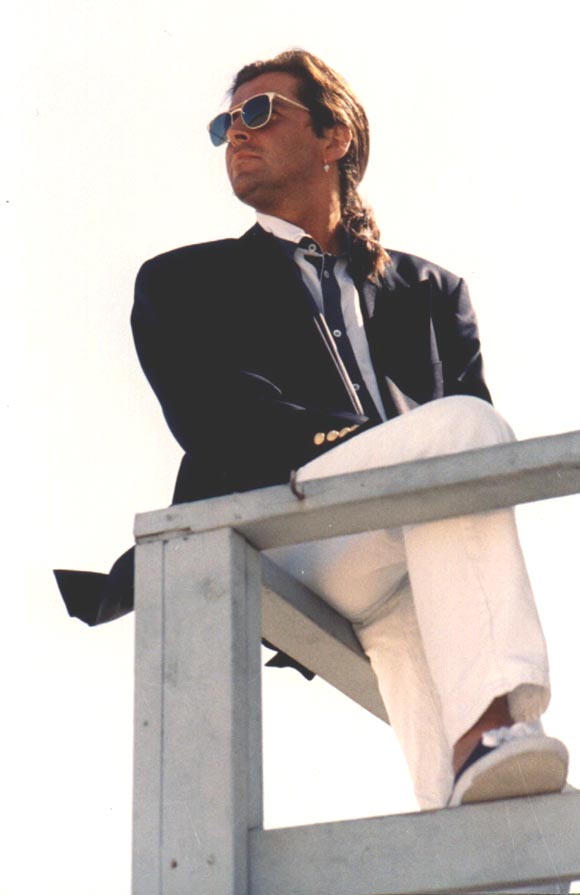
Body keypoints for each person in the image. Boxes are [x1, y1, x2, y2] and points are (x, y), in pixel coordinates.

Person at [55, 49, 568, 810]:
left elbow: (474, 479)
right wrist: (360, 447)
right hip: (286, 527)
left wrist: (393, 477)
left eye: (260, 112)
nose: (237, 132)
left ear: (334, 138)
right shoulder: (183, 280)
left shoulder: (432, 292)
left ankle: (484, 792)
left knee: (482, 796)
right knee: (461, 433)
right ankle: (497, 724)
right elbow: (220, 421)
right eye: (226, 122)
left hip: (395, 550)